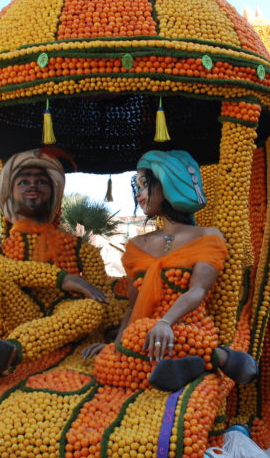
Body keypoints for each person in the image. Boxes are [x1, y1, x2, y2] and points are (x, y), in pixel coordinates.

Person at [0, 147, 115, 390]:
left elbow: (104, 304)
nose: (33, 186)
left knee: (93, 307)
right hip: (22, 316)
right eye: (24, 181)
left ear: (54, 192)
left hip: (68, 323)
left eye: (42, 181)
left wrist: (107, 342)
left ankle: (7, 354)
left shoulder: (83, 252)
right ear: (10, 192)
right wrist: (61, 278)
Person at [83, 149, 257, 392]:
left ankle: (208, 355)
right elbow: (134, 308)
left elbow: (197, 290)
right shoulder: (136, 247)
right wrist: (116, 345)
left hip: (188, 329)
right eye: (137, 186)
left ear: (168, 184)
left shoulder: (208, 237)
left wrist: (166, 322)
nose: (138, 194)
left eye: (144, 185)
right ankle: (209, 360)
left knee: (147, 338)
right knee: (108, 366)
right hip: (145, 334)